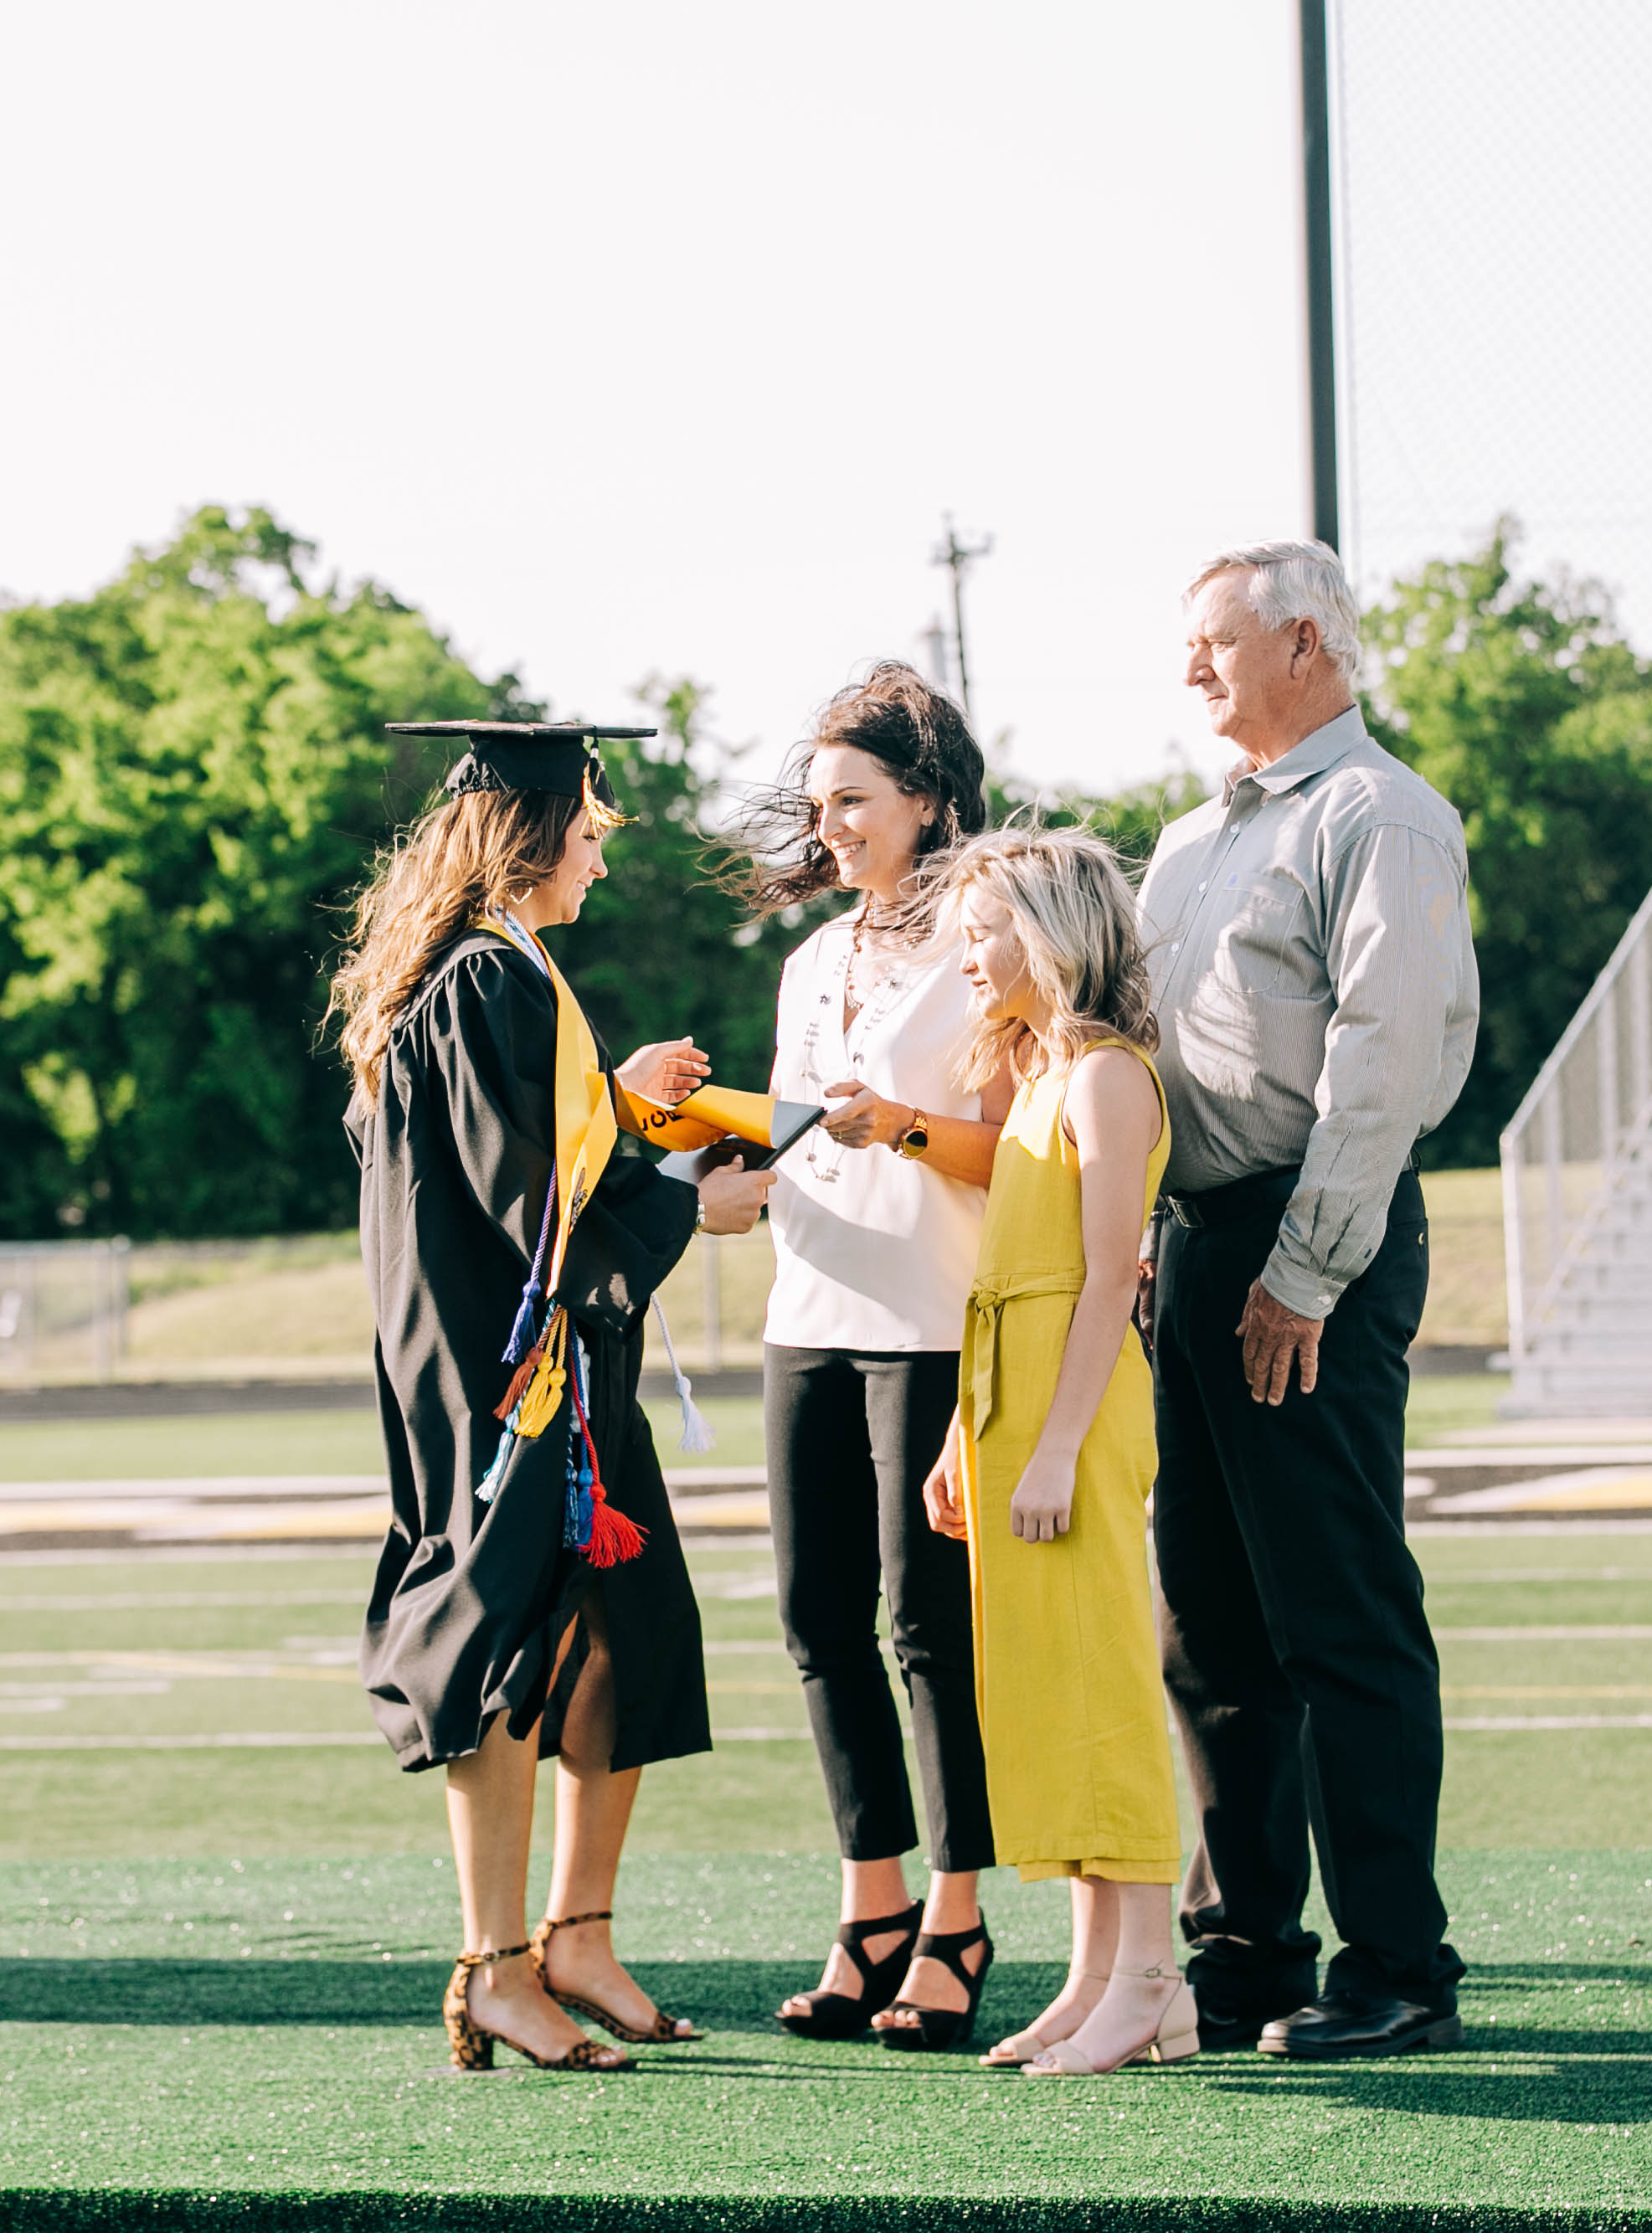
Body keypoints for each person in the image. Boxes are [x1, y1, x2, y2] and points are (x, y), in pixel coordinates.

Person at [330, 723, 766, 2073]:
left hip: (555, 1370)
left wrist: (626, 1111)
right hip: (508, 1377)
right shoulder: (481, 983)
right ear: (526, 838)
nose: (599, 851)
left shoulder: (502, 975)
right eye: (586, 828)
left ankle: (576, 1938)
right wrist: (691, 1195)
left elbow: (546, 1145)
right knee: (515, 1641)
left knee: (621, 1633)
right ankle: (496, 1966)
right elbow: (531, 1203)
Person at [1140, 541, 1482, 2061]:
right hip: (1200, 1245)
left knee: (1337, 1613)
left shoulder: (1382, 818)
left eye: (1214, 642)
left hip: (1304, 1248)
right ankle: (1251, 1950)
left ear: (1301, 641)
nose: (1191, 668)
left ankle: (1398, 1964)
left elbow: (1383, 1059)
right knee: (1208, 1627)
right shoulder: (1187, 840)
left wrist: (1305, 1267)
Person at [707, 664, 1012, 2050]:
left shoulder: (990, 942)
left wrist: (896, 1127)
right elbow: (785, 1135)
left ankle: (958, 1918)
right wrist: (717, 1157)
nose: (828, 824)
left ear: (928, 801)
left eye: (855, 799)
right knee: (817, 1625)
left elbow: (1019, 1150)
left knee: (925, 1630)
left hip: (932, 1323)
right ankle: (871, 1911)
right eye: (819, 801)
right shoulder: (809, 961)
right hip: (806, 1317)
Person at [915, 823, 1191, 2078]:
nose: (968, 956)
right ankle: (1094, 1979)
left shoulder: (1106, 1080)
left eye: (986, 932)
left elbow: (1103, 1285)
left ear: (1052, 933)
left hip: (1072, 1408)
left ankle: (1152, 1982)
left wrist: (1055, 1447)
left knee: (1105, 1689)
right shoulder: (1038, 1075)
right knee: (1050, 1691)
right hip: (1011, 1400)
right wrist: (968, 1440)